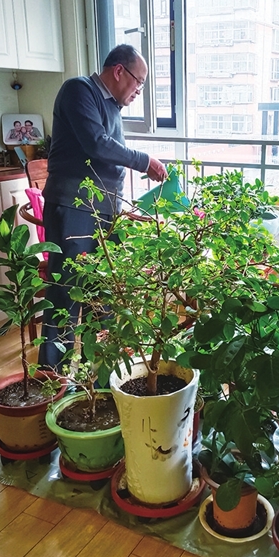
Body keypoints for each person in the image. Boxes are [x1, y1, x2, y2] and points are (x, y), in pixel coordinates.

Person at [38, 44, 168, 368]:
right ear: (119, 71)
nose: (139, 91)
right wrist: (145, 161)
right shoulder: (78, 90)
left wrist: (119, 208)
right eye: (139, 82)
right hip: (74, 209)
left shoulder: (112, 107)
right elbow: (97, 145)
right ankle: (54, 379)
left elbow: (108, 164)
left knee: (103, 297)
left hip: (103, 213)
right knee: (65, 295)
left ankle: (98, 376)